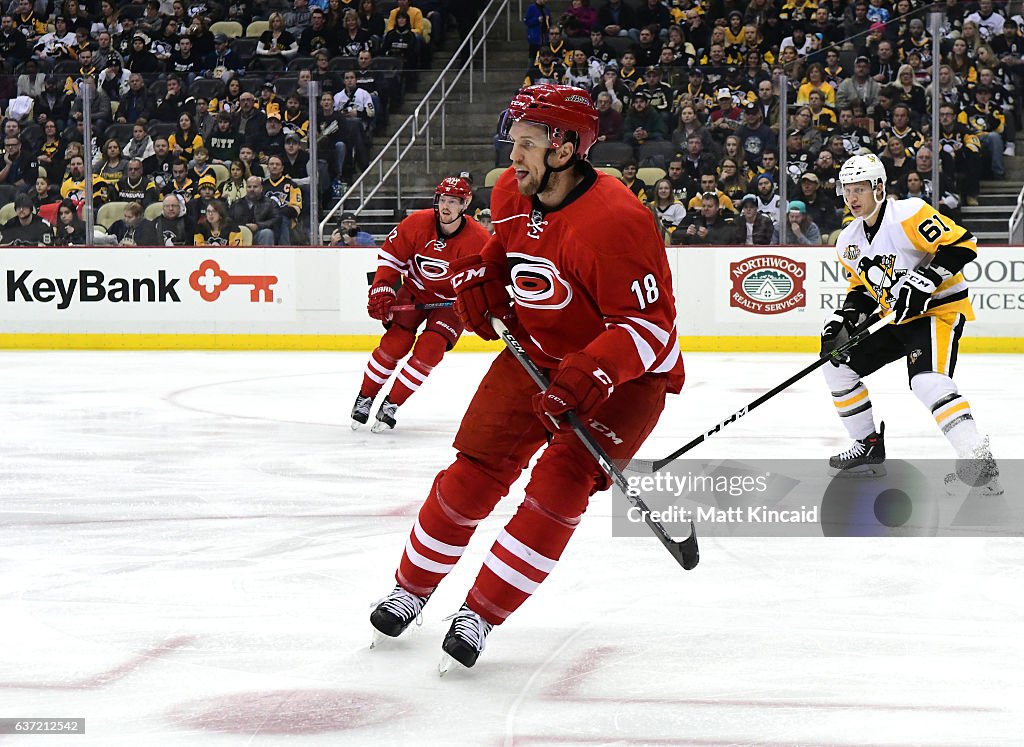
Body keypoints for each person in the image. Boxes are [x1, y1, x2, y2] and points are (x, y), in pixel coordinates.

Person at [368, 84, 684, 669]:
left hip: (623, 380)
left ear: (564, 150)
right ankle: (410, 589)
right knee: (474, 469)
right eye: (513, 142)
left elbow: (651, 330)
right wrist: (483, 277)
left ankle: (480, 613)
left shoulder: (619, 222)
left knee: (558, 486)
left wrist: (591, 371)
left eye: (527, 144)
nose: (512, 156)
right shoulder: (512, 189)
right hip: (534, 355)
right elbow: (506, 250)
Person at [820, 153, 1001, 494]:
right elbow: (861, 289)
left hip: (937, 310)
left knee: (928, 381)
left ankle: (979, 463)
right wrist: (844, 318)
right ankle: (868, 445)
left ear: (879, 187)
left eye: (859, 189)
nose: (852, 198)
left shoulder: (910, 214)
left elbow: (964, 245)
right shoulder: (848, 241)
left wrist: (928, 280)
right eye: (847, 190)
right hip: (894, 316)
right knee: (837, 367)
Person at [351, 177, 489, 432]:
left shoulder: (479, 240)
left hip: (450, 304)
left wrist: (475, 306)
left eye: (453, 202)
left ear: (465, 204)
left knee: (430, 349)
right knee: (396, 343)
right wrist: (382, 286)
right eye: (442, 200)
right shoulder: (417, 223)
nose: (445, 207)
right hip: (415, 290)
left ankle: (391, 404)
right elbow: (391, 257)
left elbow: (484, 281)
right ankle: (366, 396)